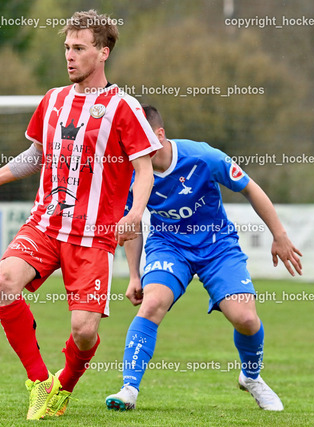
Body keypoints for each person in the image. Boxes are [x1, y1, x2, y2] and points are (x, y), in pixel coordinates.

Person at [0, 10, 161, 420]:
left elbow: (145, 169)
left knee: (84, 331)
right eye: (67, 48)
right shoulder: (53, 100)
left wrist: (135, 213)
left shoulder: (124, 108)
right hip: (45, 222)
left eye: (79, 48)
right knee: (4, 282)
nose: (69, 56)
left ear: (103, 52)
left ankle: (63, 386)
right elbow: (35, 155)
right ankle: (39, 380)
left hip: (93, 234)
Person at [105, 105, 302, 412]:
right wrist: (134, 274)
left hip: (217, 247)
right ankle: (128, 388)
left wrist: (279, 236)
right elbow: (133, 223)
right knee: (153, 303)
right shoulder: (131, 173)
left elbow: (250, 188)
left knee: (247, 320)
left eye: (139, 139)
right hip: (169, 247)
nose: (133, 148)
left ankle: (251, 377)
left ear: (159, 135)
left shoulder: (202, 156)